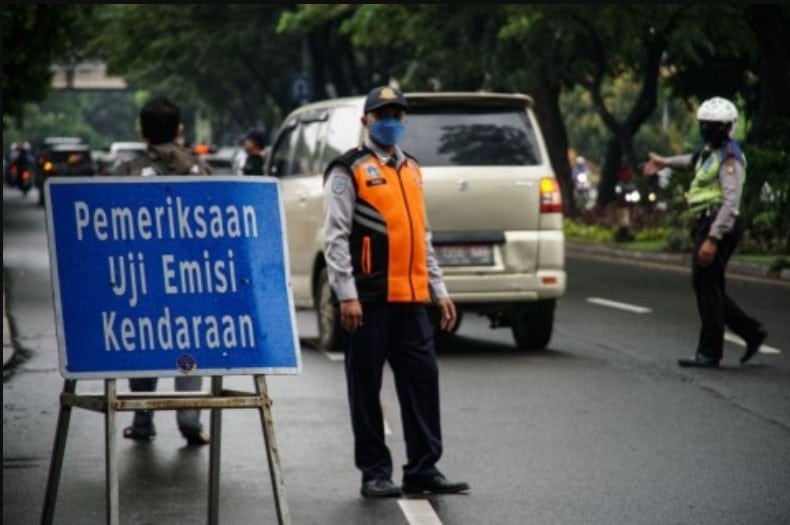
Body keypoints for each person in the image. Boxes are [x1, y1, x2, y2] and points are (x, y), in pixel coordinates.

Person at [323, 85, 470, 498]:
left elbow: (421, 237)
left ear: (405, 121)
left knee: (423, 381)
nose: (390, 121)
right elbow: (335, 239)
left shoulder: (412, 169)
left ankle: (423, 468)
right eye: (381, 113)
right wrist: (346, 294)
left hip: (411, 300)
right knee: (365, 388)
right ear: (365, 120)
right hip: (367, 301)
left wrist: (438, 289)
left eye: (397, 114)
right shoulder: (347, 170)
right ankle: (374, 473)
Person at [115, 96, 213, 444]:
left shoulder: (127, 171)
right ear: (180, 129)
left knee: (144, 348)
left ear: (141, 130)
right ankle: (190, 420)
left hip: (143, 282)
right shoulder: (199, 168)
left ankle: (142, 421)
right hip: (191, 282)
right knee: (188, 350)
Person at [643, 96, 767, 368]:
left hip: (717, 225)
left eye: (716, 126)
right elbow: (691, 160)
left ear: (729, 127)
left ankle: (710, 352)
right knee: (708, 286)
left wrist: (713, 238)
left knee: (707, 288)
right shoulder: (710, 152)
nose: (710, 130)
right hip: (706, 223)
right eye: (706, 125)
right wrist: (664, 161)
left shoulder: (730, 158)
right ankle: (751, 332)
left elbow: (730, 203)